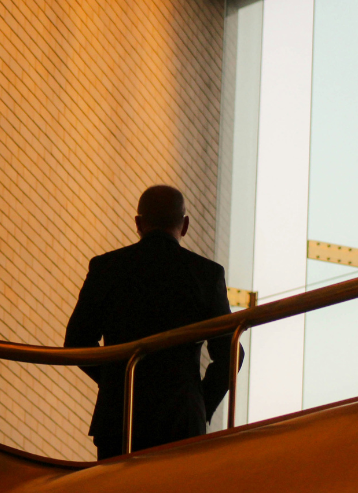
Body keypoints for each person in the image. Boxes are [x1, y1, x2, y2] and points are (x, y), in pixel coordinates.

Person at [65, 185, 243, 460]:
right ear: (184, 226)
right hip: (181, 420)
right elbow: (231, 352)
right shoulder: (206, 274)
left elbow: (77, 342)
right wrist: (200, 403)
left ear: (138, 223)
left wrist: (118, 379)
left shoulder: (107, 268)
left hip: (121, 417)